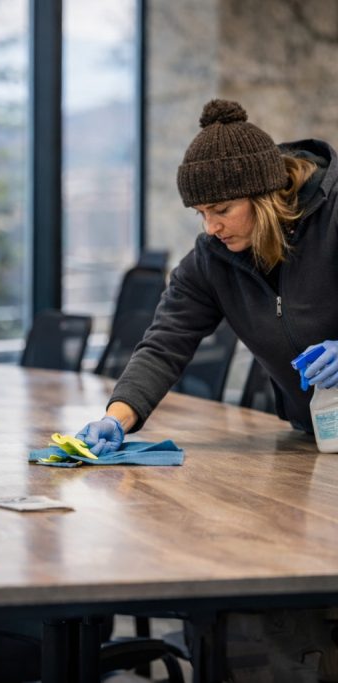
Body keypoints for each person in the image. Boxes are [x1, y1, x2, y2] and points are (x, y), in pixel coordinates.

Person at [75, 98, 338, 679]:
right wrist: (119, 417)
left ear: (266, 196)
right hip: (317, 448)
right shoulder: (212, 260)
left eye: (221, 209)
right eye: (199, 214)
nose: (211, 226)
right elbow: (164, 343)